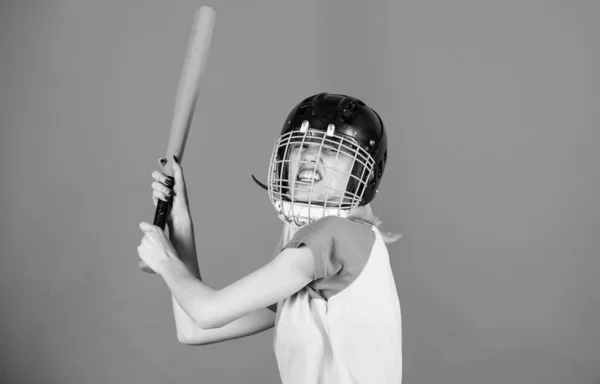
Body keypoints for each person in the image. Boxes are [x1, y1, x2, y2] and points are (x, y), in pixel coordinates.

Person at [137, 93, 403, 383]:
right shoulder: (326, 261)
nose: (310, 156)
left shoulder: (335, 236)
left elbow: (206, 313)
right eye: (303, 145)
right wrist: (179, 221)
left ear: (362, 172)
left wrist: (165, 261)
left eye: (331, 150)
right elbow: (193, 329)